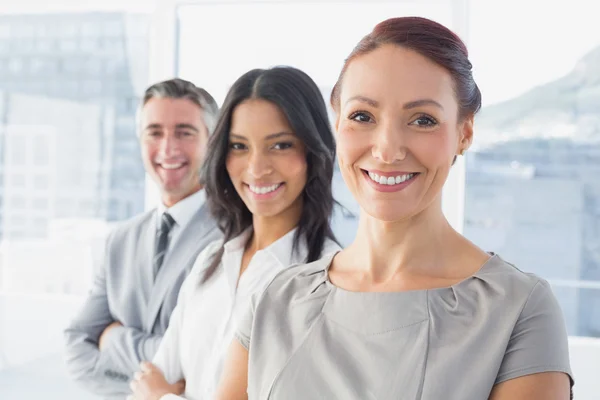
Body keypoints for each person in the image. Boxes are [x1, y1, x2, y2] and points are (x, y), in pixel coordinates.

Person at [215, 17, 574, 400]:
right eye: (362, 117)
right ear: (337, 124)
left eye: (423, 120)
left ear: (464, 133)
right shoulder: (275, 301)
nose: (387, 150)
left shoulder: (516, 309)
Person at [127, 66, 340, 400]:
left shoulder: (326, 280)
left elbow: (152, 390)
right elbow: (149, 380)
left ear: (313, 152)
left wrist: (162, 397)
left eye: (281, 145)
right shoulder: (211, 260)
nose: (257, 168)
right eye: (240, 146)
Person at [64, 78, 222, 398]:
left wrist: (114, 340)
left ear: (212, 141)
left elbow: (202, 360)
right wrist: (152, 390)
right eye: (154, 132)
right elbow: (76, 344)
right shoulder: (120, 240)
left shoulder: (232, 236)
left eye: (184, 132)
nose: (167, 148)